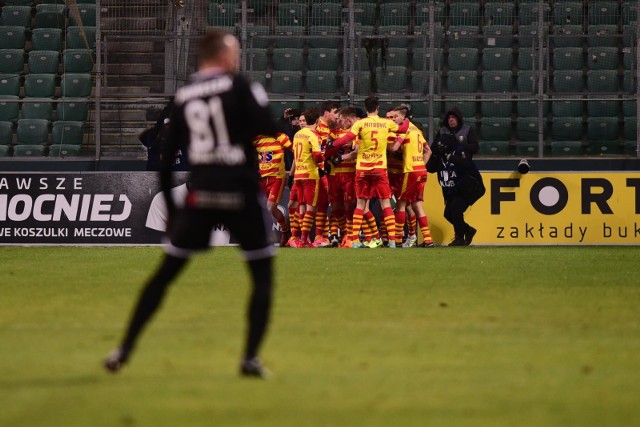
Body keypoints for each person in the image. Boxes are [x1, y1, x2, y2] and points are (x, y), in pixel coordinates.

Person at [103, 29, 281, 378]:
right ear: (225, 55)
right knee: (262, 276)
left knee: (165, 274)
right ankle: (249, 359)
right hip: (241, 192)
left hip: (201, 194)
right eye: (236, 51)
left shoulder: (183, 96)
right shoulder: (242, 86)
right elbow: (269, 128)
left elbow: (166, 159)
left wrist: (172, 207)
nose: (238, 57)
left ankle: (123, 350)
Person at [329, 96, 409, 248]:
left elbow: (347, 138)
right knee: (385, 203)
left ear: (366, 108)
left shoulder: (360, 123)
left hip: (363, 169)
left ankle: (355, 241)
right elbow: (403, 129)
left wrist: (332, 143)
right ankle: (392, 240)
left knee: (360, 204)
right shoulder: (386, 122)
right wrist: (407, 119)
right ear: (378, 108)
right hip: (380, 169)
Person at [426, 106, 484, 246]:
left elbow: (475, 148)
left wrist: (460, 148)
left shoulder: (467, 131)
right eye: (449, 118)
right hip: (451, 182)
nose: (451, 120)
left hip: (467, 183)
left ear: (458, 119)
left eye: (454, 118)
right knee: (448, 214)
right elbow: (433, 157)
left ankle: (459, 238)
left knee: (456, 209)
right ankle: (467, 230)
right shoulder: (443, 133)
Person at [390, 106, 435, 248]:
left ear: (403, 117)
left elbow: (395, 149)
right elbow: (429, 151)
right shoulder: (417, 130)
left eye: (396, 116)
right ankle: (427, 240)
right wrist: (422, 164)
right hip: (421, 170)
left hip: (410, 171)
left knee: (400, 204)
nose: (393, 119)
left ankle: (397, 240)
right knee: (417, 204)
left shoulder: (404, 129)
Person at [289, 108, 324, 248]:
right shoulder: (313, 135)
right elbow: (317, 155)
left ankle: (302, 239)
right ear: (317, 121)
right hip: (310, 174)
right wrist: (321, 165)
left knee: (301, 206)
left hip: (298, 175)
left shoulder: (297, 134)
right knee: (311, 208)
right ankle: (304, 240)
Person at [253, 132, 293, 246]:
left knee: (270, 207)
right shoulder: (256, 138)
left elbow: (295, 150)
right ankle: (286, 233)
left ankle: (273, 235)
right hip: (262, 178)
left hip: (277, 177)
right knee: (266, 208)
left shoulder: (280, 136)